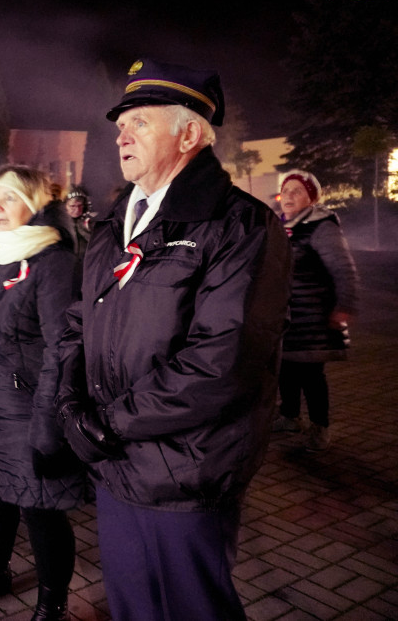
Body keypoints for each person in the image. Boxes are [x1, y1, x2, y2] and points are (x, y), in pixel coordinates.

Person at [56, 59, 291, 621]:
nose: (121, 133)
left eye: (140, 120)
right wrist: (69, 406)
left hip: (185, 470)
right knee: (133, 606)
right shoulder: (115, 224)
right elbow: (77, 322)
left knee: (190, 609)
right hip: (116, 467)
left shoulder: (240, 225)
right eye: (120, 122)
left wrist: (107, 423)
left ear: (189, 133)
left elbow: (221, 361)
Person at [0, 166, 85, 620]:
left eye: (8, 198)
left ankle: (53, 602)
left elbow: (62, 350)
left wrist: (48, 428)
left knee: (40, 508)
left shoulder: (52, 261)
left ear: (36, 203)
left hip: (28, 411)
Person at [273, 170, 358, 452]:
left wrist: (344, 306)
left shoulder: (321, 226)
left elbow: (343, 268)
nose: (289, 196)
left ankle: (320, 427)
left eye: (297, 191)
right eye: (286, 191)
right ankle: (290, 416)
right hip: (285, 317)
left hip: (313, 316)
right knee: (285, 368)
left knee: (311, 375)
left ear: (312, 197)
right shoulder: (280, 226)